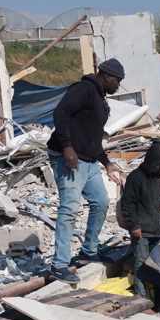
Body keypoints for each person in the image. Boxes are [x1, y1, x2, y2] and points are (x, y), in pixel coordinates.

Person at [46, 58, 126, 284]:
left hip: (89, 161)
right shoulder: (84, 89)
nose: (118, 85)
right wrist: (67, 146)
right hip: (69, 158)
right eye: (117, 80)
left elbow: (92, 138)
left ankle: (88, 251)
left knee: (101, 202)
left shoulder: (100, 99)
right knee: (69, 209)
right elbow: (60, 114)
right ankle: (59, 265)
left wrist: (107, 162)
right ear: (105, 75)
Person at [119, 142, 160, 299]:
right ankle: (141, 296)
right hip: (142, 230)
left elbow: (158, 194)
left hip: (156, 227)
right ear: (152, 162)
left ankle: (155, 295)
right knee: (141, 264)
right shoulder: (135, 178)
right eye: (159, 164)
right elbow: (127, 204)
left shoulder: (158, 177)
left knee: (155, 263)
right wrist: (134, 226)